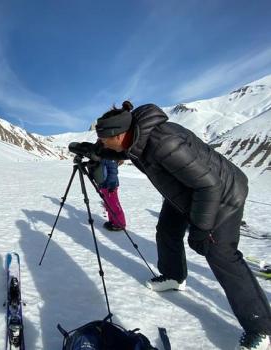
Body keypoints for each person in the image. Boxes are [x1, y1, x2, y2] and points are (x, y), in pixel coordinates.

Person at [87, 100, 271, 350]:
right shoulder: (137, 139)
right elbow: (116, 151)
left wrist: (201, 229)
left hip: (221, 196)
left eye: (103, 139)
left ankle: (261, 328)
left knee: (222, 255)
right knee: (166, 231)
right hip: (186, 193)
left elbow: (209, 185)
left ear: (119, 135)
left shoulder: (164, 143)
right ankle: (174, 276)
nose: (102, 142)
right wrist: (93, 151)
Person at [97, 159, 126, 231]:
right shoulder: (104, 154)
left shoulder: (111, 156)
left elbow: (113, 172)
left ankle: (120, 224)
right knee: (108, 204)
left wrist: (112, 185)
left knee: (114, 204)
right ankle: (112, 221)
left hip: (110, 186)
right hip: (104, 184)